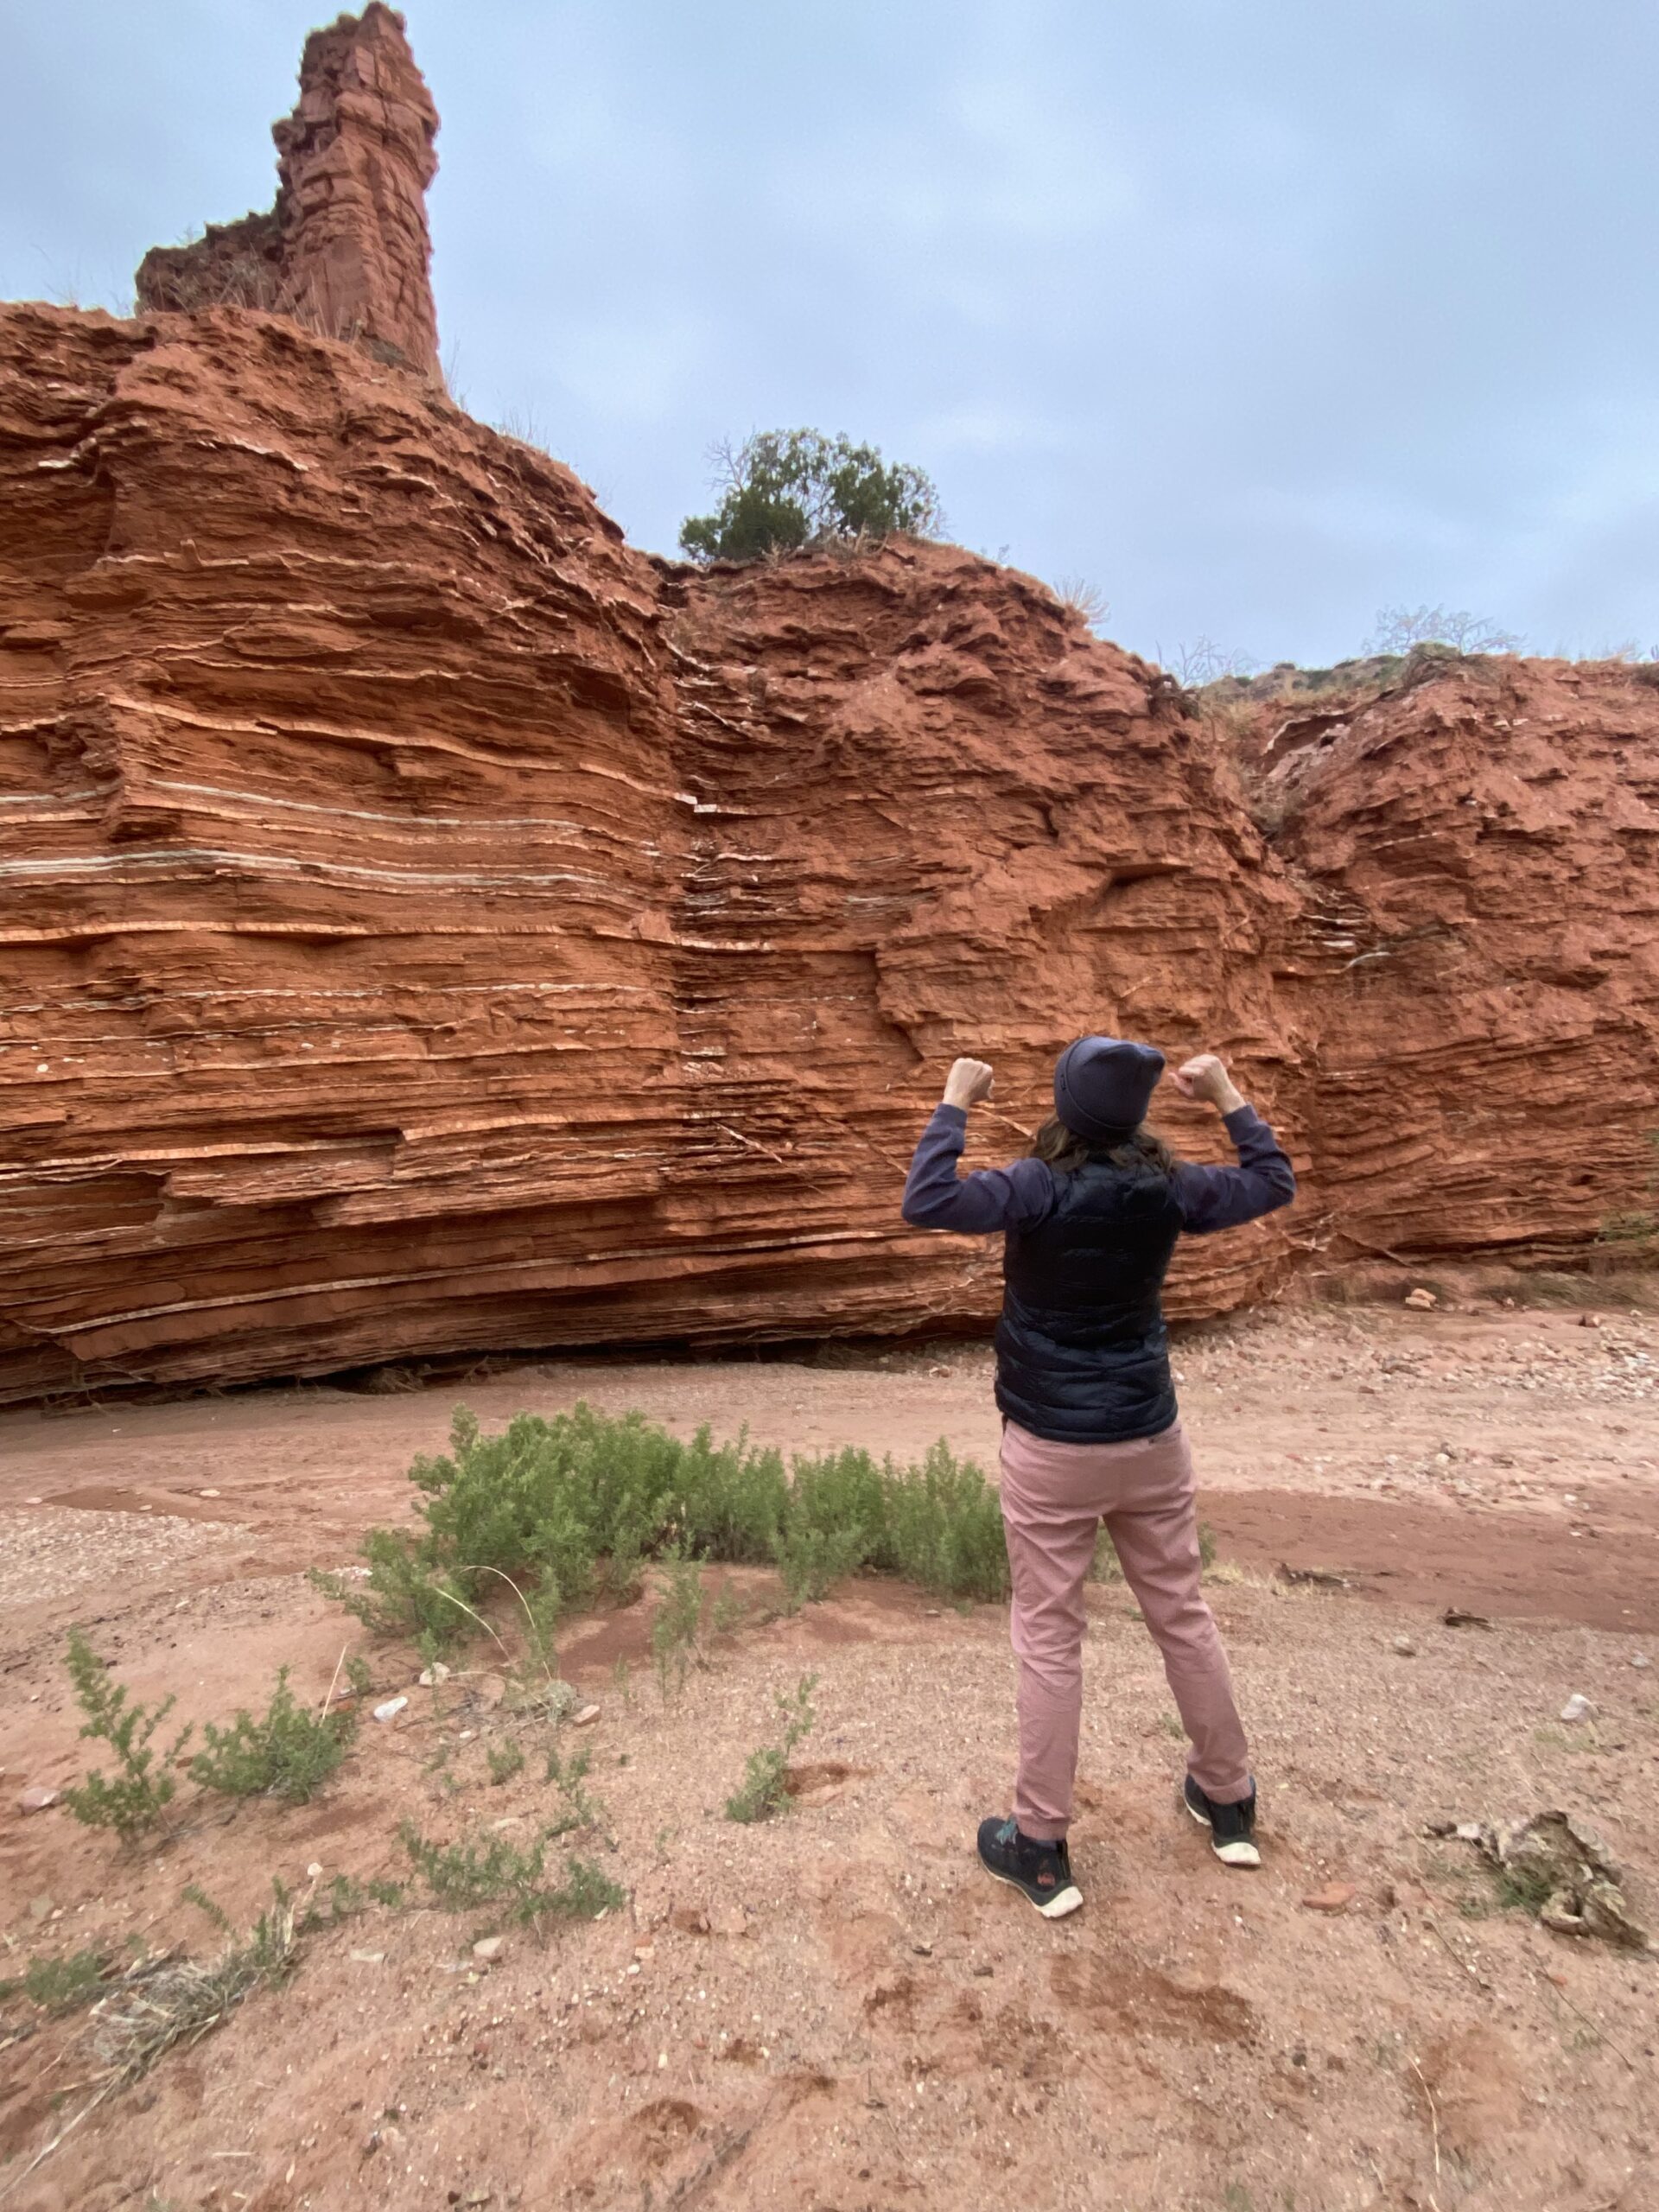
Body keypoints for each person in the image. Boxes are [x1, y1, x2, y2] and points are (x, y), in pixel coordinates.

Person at [900, 1036, 1296, 1918]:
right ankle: (1227, 1799)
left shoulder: (1034, 1186)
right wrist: (1229, 1092)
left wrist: (956, 1099)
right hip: (1151, 1438)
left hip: (1050, 1447)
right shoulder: (1171, 1187)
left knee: (1050, 1637)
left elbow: (927, 1198)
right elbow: (1273, 1181)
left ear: (1067, 1104)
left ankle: (1039, 1846)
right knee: (1183, 1616)